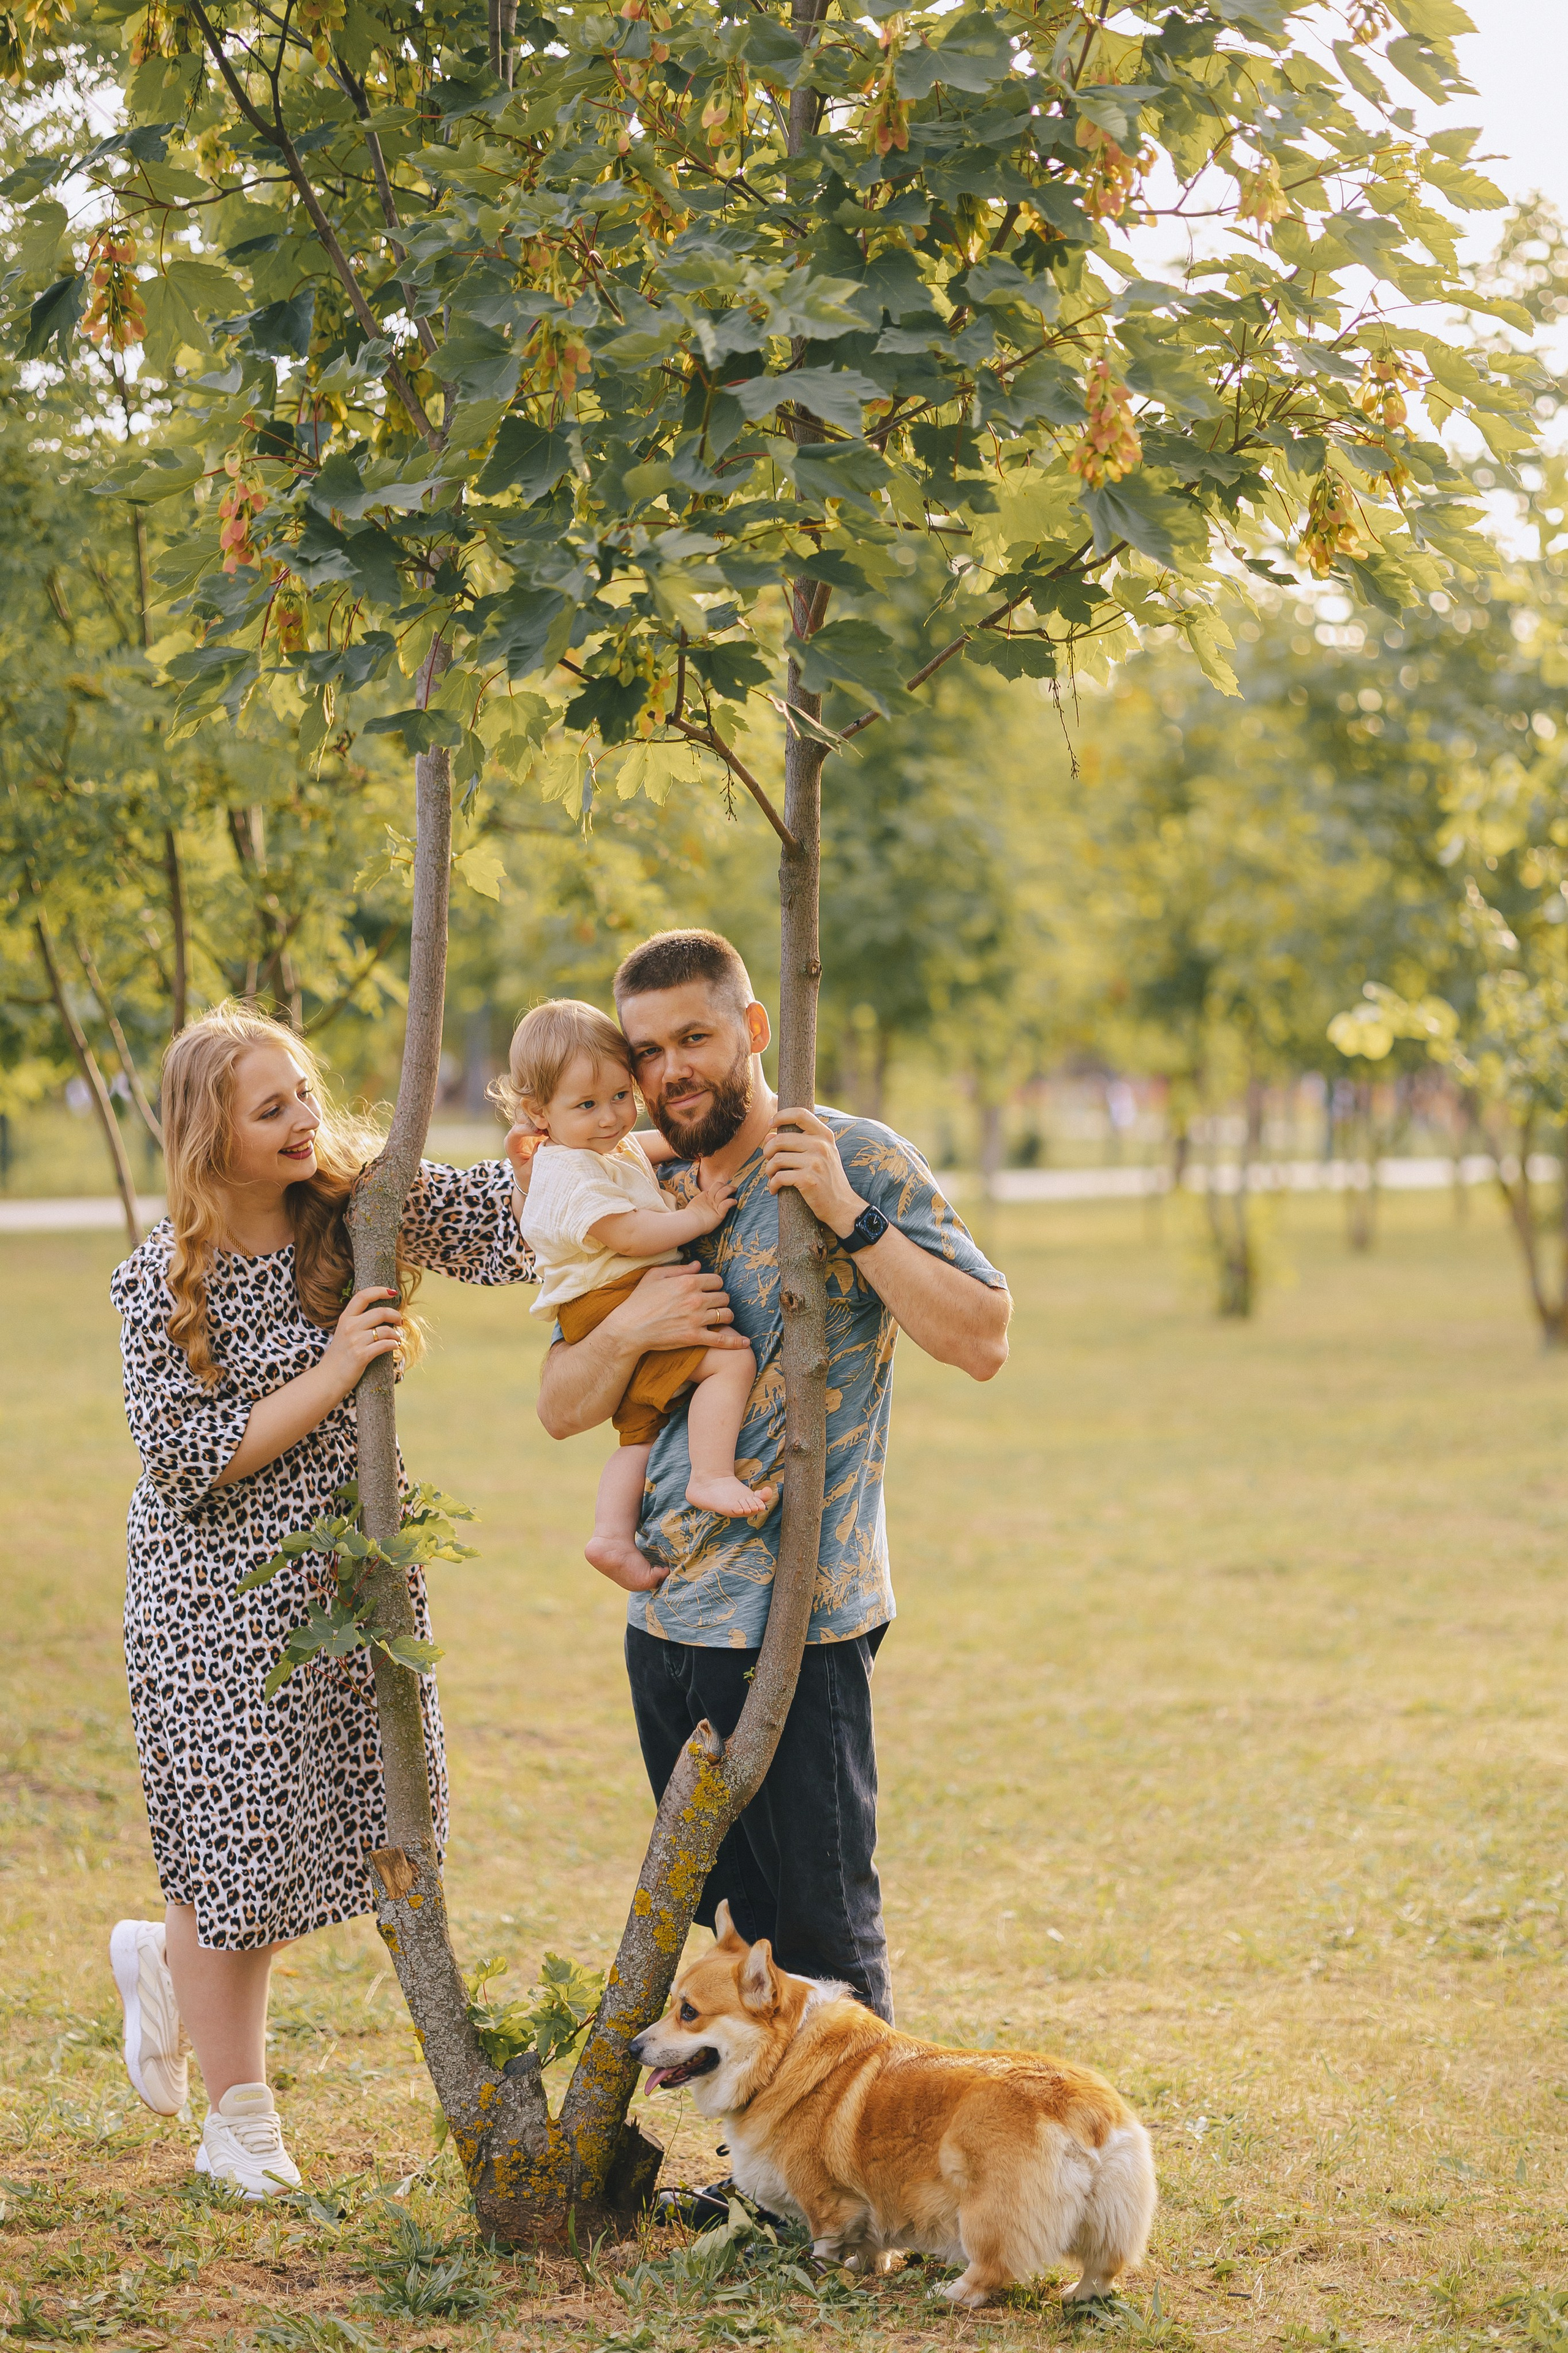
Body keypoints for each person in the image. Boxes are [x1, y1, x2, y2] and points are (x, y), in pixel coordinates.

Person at [537, 930, 1011, 2025]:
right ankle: (762, 2190)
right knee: (734, 1932)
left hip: (802, 1620)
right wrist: (638, 1326)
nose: (669, 1072)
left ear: (753, 1030)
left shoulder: (855, 1157)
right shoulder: (637, 1192)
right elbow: (564, 1406)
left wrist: (848, 1215)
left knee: (824, 1936)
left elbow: (984, 1337)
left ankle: (845, 2191)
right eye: (647, 1051)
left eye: (695, 1038)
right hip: (666, 1622)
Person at [107, 1003, 535, 2196]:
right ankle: (238, 2128)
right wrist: (337, 1366)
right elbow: (190, 1456)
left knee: (343, 1838)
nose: (303, 1118)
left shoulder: (357, 1207)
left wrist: (559, 1148)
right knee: (240, 1857)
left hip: (349, 1589)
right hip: (210, 1599)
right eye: (270, 1106)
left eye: (303, 1092)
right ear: (210, 1133)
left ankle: (165, 1952)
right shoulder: (156, 1280)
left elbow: (513, 1231)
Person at [502, 999, 776, 1590]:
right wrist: (700, 1216)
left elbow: (642, 1149)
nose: (611, 1118)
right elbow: (627, 1235)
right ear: (536, 1112)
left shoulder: (590, 1145)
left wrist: (696, 1144)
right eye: (587, 1105)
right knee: (730, 1359)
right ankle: (710, 1473)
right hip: (610, 1295)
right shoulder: (568, 1173)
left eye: (622, 1096)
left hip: (609, 1299)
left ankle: (610, 1534)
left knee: (640, 1430)